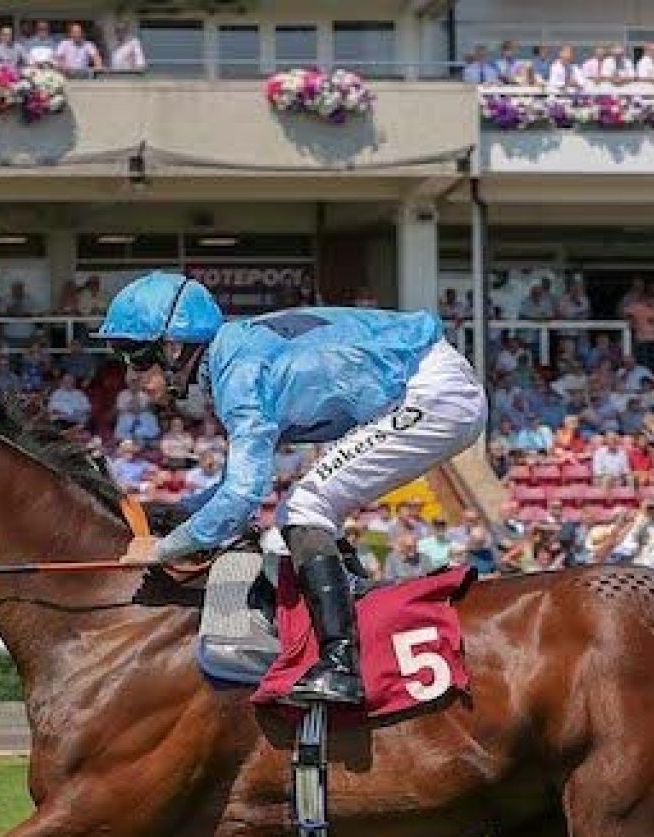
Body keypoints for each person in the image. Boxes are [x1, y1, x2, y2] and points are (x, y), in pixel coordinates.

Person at [99, 272, 484, 706]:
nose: (132, 375)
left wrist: (164, 549)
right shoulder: (232, 354)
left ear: (173, 348)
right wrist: (167, 517)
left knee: (305, 506)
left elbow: (241, 498)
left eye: (137, 357)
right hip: (425, 382)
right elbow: (235, 491)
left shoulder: (238, 374)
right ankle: (360, 623)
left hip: (432, 392)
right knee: (300, 513)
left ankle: (342, 663)